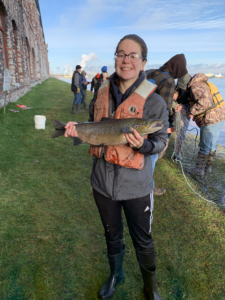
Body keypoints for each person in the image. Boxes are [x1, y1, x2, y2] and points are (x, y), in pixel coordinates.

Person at [64, 34, 168, 300]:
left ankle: (150, 286)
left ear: (143, 62)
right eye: (121, 54)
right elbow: (90, 123)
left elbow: (160, 140)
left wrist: (143, 147)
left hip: (136, 186)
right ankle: (116, 275)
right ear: (115, 59)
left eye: (133, 55)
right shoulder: (100, 92)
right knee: (112, 235)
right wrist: (76, 132)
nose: (126, 60)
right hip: (102, 183)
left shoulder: (155, 102)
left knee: (142, 239)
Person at [145, 54, 188, 196]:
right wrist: (168, 127)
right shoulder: (168, 81)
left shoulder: (150, 72)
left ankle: (139, 183)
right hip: (153, 124)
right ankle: (147, 188)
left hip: (139, 118)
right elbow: (163, 107)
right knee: (151, 156)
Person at [175, 73, 225, 175]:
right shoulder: (203, 83)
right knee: (212, 144)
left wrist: (191, 112)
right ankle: (207, 167)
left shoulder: (195, 87)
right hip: (220, 116)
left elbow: (204, 103)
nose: (183, 91)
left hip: (210, 119)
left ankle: (199, 169)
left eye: (182, 88)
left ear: (185, 85)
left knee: (204, 145)